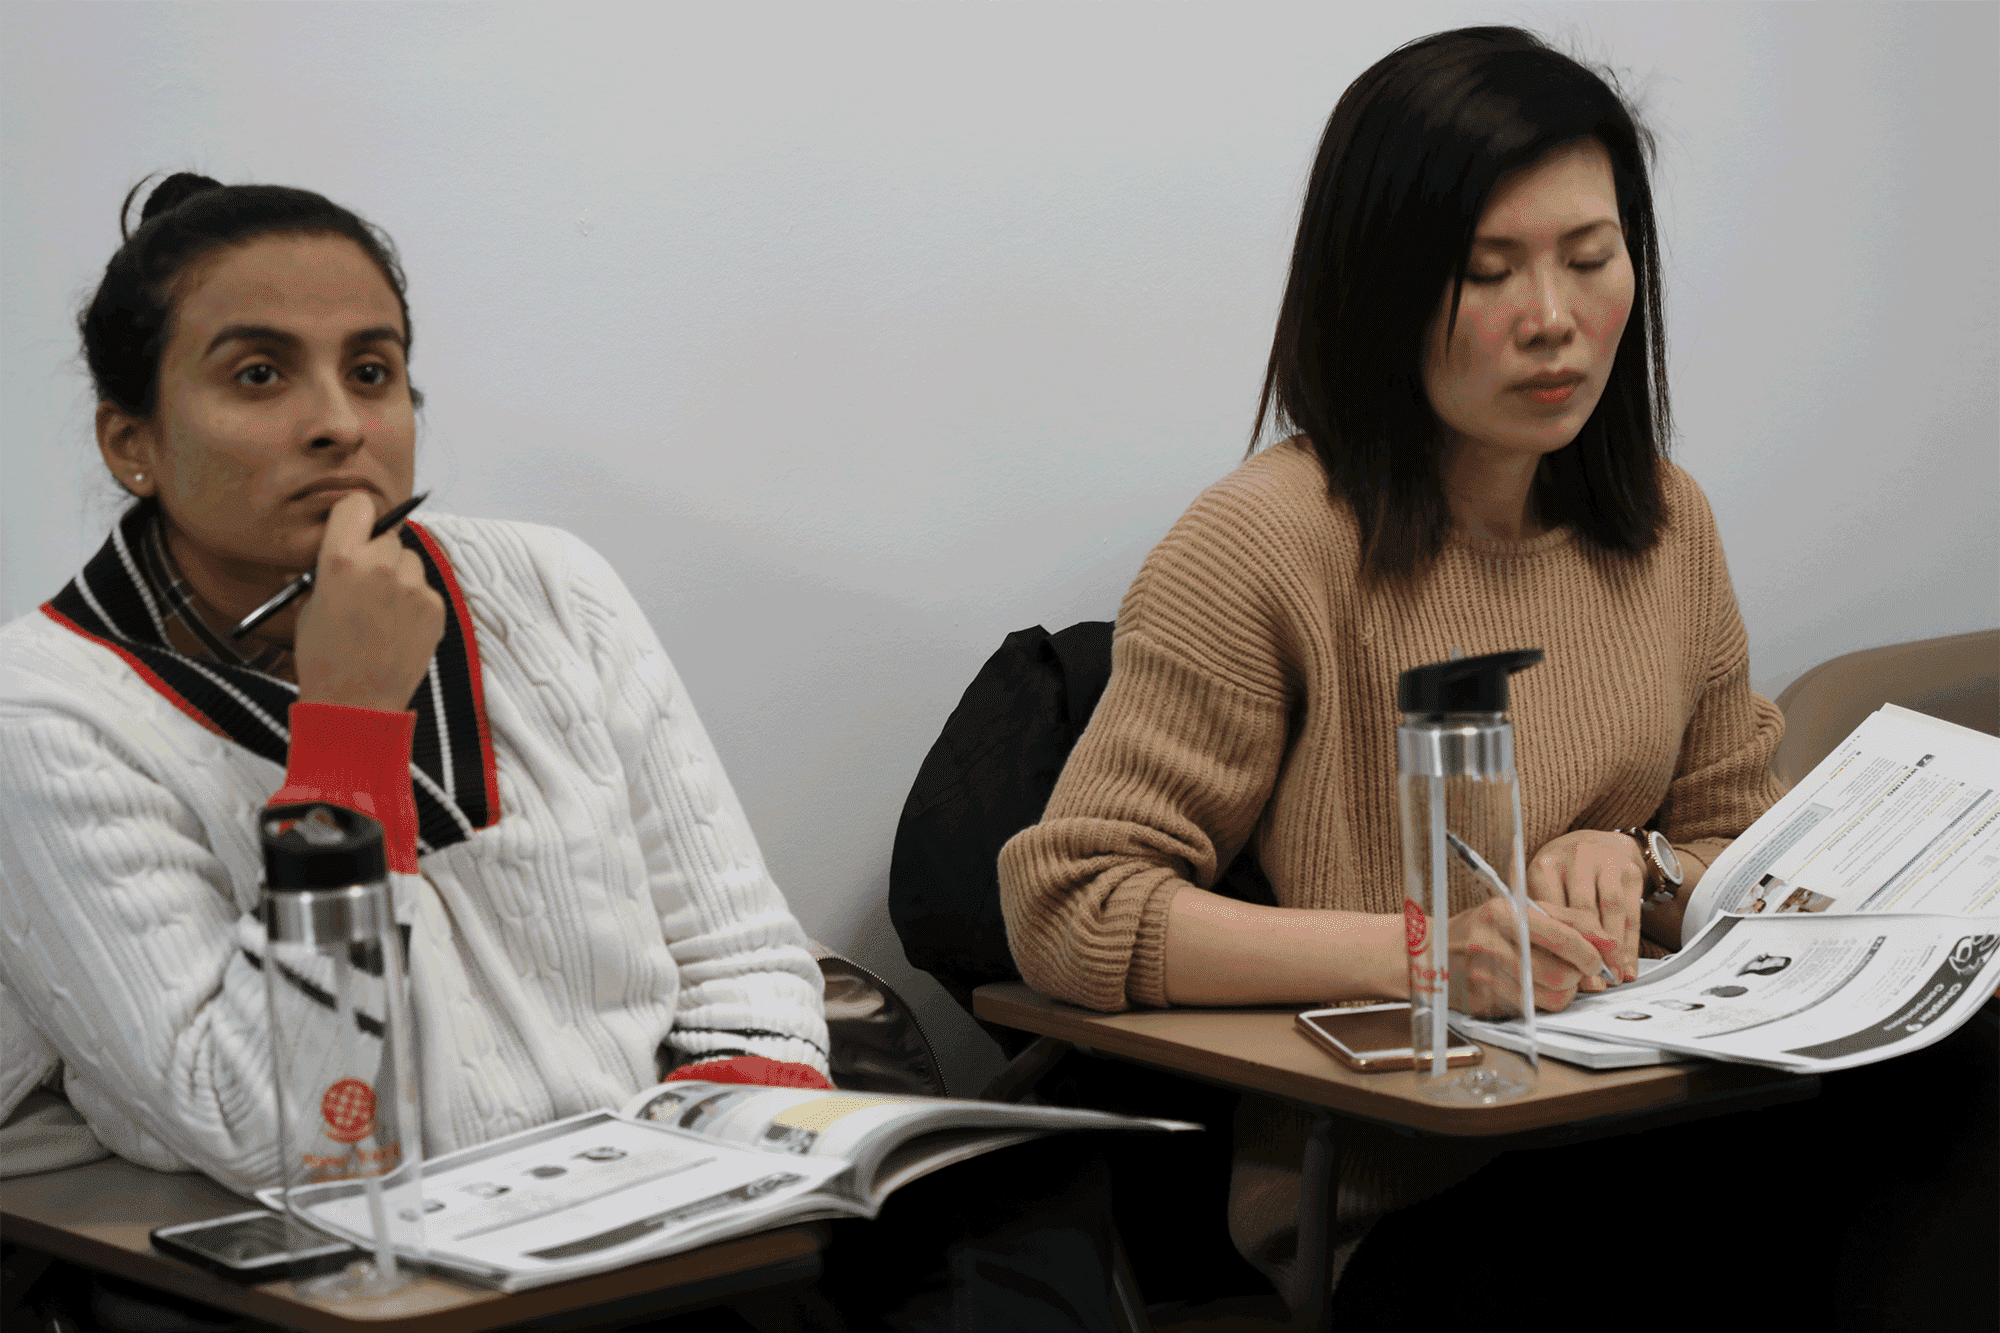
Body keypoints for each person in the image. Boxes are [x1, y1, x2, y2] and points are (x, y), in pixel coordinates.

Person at [0, 173, 1121, 1333]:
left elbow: (737, 948)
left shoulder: (547, 585)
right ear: (131, 442)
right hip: (347, 1260)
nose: (338, 421)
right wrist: (347, 731)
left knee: (1016, 1199)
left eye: (372, 370)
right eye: (258, 374)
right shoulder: (44, 711)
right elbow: (297, 1126)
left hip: (641, 1215)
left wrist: (741, 1143)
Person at [999, 25, 1993, 1328]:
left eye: (1592, 260)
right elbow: (1069, 905)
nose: (1554, 321)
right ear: (1380, 288)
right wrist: (1427, 951)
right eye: (1488, 272)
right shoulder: (1267, 542)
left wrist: (1642, 865)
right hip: (1425, 1184)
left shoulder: (1665, 525)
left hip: (1676, 1121)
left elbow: (1727, 837)